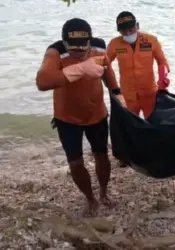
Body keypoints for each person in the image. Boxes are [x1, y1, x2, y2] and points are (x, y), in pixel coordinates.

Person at [36, 18, 125, 216]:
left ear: (89, 41)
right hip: (67, 118)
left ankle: (103, 192)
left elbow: (108, 74)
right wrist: (79, 68)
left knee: (102, 155)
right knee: (75, 163)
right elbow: (42, 81)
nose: (79, 54)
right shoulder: (55, 52)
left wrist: (118, 95)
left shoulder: (100, 48)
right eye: (73, 51)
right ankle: (90, 198)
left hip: (97, 114)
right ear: (65, 43)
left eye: (82, 50)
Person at [107, 11, 170, 119]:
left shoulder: (151, 40)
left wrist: (163, 78)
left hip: (150, 94)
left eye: (130, 29)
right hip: (128, 96)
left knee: (153, 125)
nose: (127, 33)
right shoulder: (114, 44)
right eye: (123, 31)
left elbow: (162, 62)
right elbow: (104, 62)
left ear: (137, 26)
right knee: (129, 127)